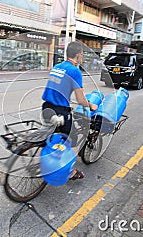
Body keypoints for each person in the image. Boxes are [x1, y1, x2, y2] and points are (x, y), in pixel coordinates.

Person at [41, 41, 98, 180]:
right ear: (78, 55)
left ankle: (50, 157)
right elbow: (80, 100)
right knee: (73, 138)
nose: (82, 58)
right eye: (82, 55)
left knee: (55, 136)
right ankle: (70, 172)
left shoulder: (57, 66)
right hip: (60, 112)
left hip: (47, 108)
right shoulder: (75, 71)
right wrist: (90, 105)